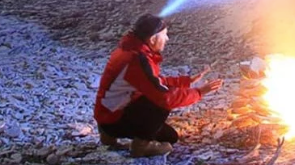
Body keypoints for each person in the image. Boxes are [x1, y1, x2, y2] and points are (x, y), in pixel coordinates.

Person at [94, 13, 223, 157]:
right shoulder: (137, 60)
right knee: (161, 103)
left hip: (106, 116)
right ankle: (141, 146)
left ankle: (108, 136)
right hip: (114, 120)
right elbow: (166, 97)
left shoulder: (129, 50)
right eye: (165, 35)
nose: (167, 39)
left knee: (170, 136)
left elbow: (151, 80)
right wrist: (199, 92)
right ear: (153, 38)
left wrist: (185, 82)